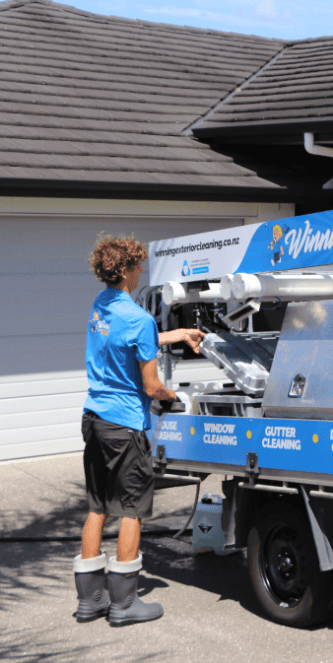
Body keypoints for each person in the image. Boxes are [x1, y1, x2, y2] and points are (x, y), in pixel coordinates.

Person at [73, 235, 203, 626]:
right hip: (125, 424)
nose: (141, 271)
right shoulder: (139, 318)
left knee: (98, 506)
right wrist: (172, 395)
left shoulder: (102, 306)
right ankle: (125, 604)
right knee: (131, 510)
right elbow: (150, 386)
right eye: (138, 266)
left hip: (94, 419)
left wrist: (176, 335)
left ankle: (90, 601)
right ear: (127, 270)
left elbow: (129, 340)